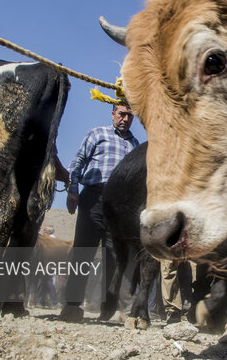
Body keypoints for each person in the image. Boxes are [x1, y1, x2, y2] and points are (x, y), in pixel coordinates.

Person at [60, 103, 139, 321]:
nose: (125, 118)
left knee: (114, 257)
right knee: (82, 253)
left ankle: (108, 308)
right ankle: (72, 305)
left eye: (130, 116)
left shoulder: (135, 144)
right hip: (93, 198)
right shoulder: (97, 134)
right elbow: (77, 162)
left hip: (120, 206)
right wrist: (73, 191)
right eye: (122, 113)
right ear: (113, 113)